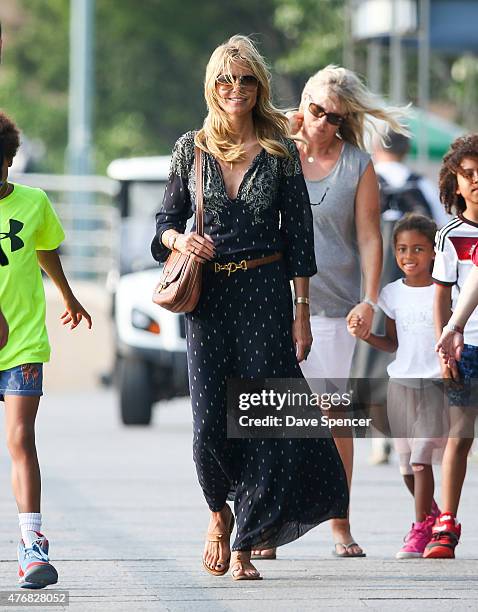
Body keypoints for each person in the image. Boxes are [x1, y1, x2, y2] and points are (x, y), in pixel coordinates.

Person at [151, 36, 349, 581]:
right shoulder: (189, 149)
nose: (234, 89)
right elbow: (161, 226)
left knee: (262, 421)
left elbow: (300, 241)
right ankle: (218, 513)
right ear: (211, 87)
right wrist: (180, 242)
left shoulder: (282, 154)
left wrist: (302, 312)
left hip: (265, 297)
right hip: (209, 302)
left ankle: (244, 542)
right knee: (208, 424)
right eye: (224, 80)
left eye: (245, 80)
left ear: (259, 86)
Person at [253, 66, 406, 560]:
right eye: (316, 110)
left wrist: (370, 299)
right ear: (303, 103)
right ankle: (268, 525)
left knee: (333, 414)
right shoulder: (274, 151)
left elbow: (368, 237)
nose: (322, 122)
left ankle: (339, 521)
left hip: (336, 306)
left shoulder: (357, 163)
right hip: (275, 300)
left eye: (334, 117)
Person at [0, 111, 92, 588]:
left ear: (9, 161)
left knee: (19, 439)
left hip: (22, 344)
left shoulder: (33, 202)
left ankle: (32, 546)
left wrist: (69, 296)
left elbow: (43, 249)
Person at [349, 213, 447, 558]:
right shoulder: (391, 294)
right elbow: (392, 343)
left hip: (435, 386)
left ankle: (420, 529)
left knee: (421, 461)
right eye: (403, 249)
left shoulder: (444, 291)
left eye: (418, 249)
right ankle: (434, 516)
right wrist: (367, 337)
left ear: (434, 252)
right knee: (407, 468)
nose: (409, 256)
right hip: (400, 386)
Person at [424, 134, 478, 559]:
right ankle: (446, 523)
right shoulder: (451, 236)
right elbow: (441, 296)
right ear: (455, 184)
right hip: (467, 347)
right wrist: (443, 351)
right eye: (468, 175)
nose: (476, 181)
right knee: (459, 435)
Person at [373, 131, 450, 227]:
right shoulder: (422, 183)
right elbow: (443, 223)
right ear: (407, 149)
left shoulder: (366, 181)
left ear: (376, 148)